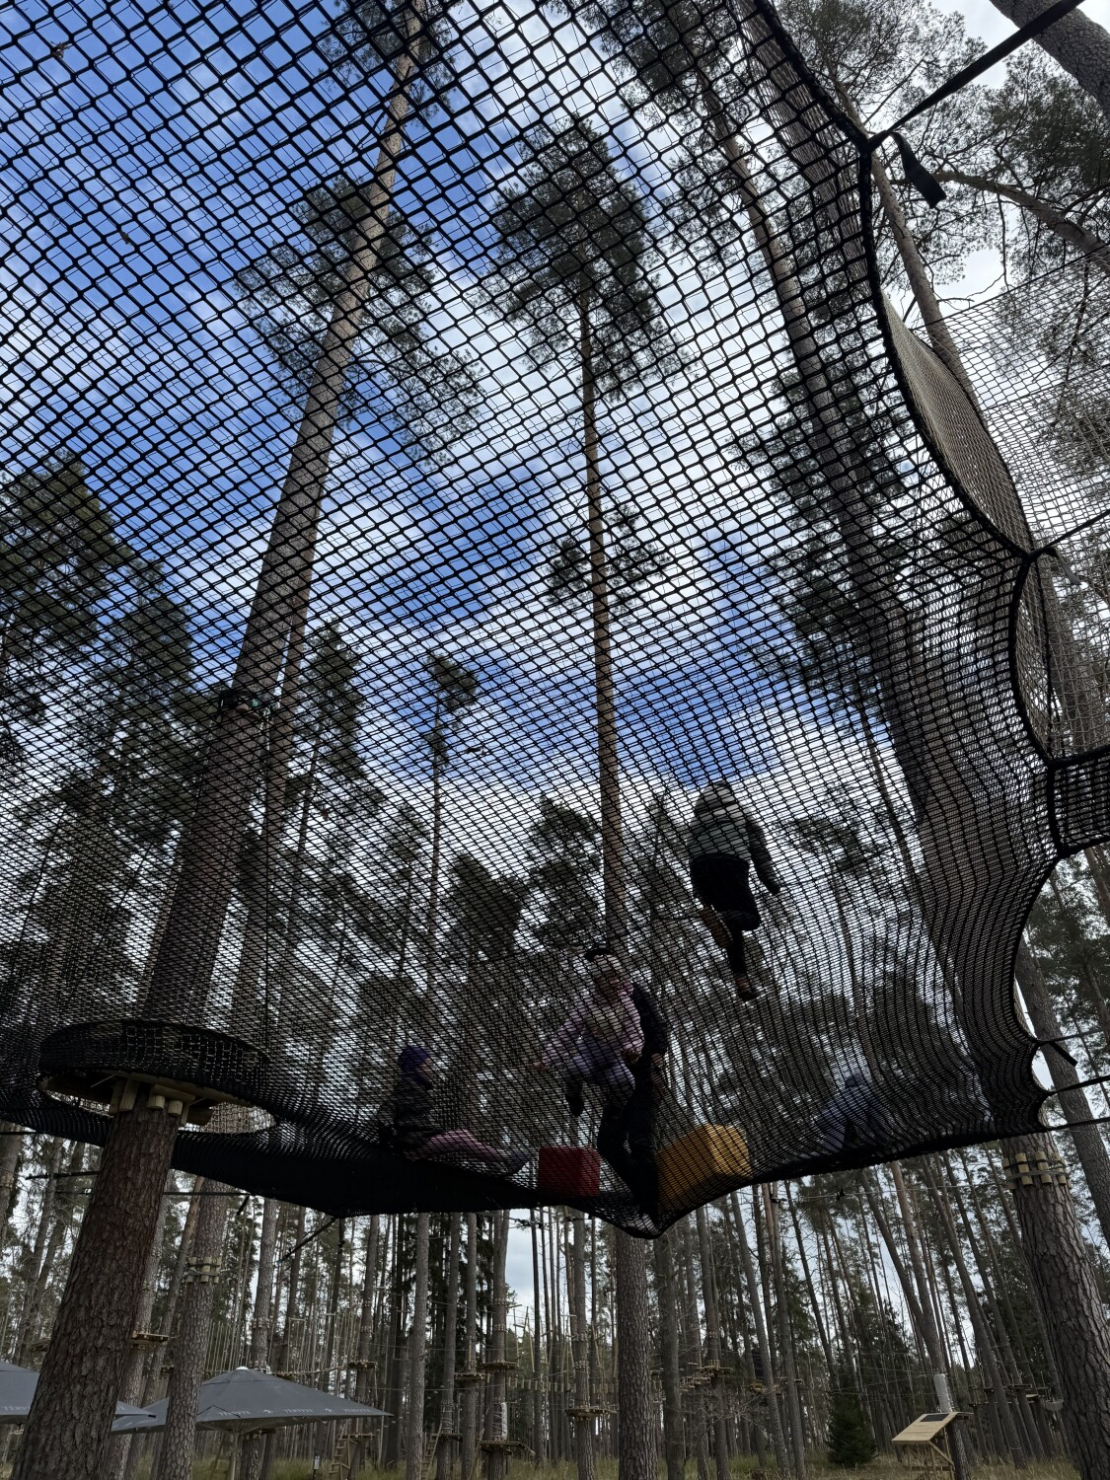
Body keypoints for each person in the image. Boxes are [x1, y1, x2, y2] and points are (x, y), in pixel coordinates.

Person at [587, 945, 669, 1216]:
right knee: (607, 1142)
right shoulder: (593, 1004)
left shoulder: (634, 993)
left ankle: (650, 1209)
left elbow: (657, 1026)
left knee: (640, 1142)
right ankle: (644, 1195)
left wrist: (656, 1056)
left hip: (643, 1076)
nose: (607, 979)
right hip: (618, 1084)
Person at [687, 779, 782, 1000]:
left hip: (700, 870)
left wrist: (698, 890)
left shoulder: (695, 821)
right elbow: (759, 849)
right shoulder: (740, 812)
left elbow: (690, 852)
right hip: (730, 864)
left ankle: (741, 979)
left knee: (732, 929)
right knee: (751, 919)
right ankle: (723, 917)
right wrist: (769, 880)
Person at [385, 1045, 528, 1176]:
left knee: (462, 1134)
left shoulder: (417, 1086)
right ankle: (506, 1158)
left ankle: (497, 1166)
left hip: (419, 1140)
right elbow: (389, 1107)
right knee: (460, 1139)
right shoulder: (406, 1087)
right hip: (413, 1145)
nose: (432, 1070)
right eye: (427, 1066)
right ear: (415, 1067)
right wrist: (390, 1134)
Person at [534, 950, 644, 1115]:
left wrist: (632, 1049)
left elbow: (634, 1032)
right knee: (574, 1068)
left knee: (626, 1080)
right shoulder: (587, 1004)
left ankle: (615, 1108)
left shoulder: (626, 1004)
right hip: (588, 1058)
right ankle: (573, 1097)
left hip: (612, 1063)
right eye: (609, 977)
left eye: (617, 976)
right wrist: (547, 1059)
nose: (615, 981)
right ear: (597, 980)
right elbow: (567, 1032)